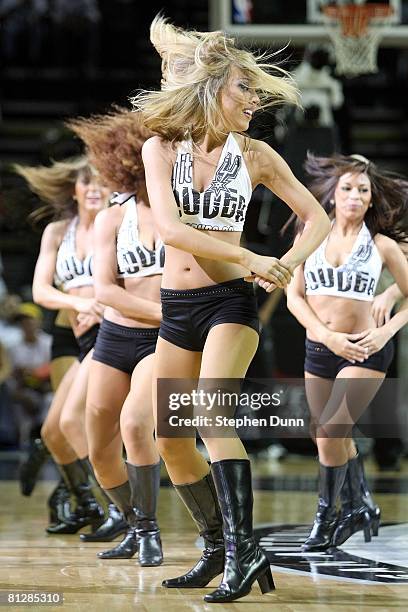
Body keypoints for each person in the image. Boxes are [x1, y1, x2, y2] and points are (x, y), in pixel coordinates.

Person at [136, 15, 330, 603]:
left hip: (229, 304)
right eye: (244, 89)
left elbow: (316, 218)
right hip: (177, 304)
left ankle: (246, 556)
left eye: (256, 90)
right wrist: (250, 257)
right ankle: (220, 548)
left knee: (211, 416)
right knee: (170, 437)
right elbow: (170, 231)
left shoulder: (257, 154)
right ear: (211, 91)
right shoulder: (161, 147)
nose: (255, 100)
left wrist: (288, 262)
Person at [286, 153, 408, 551]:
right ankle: (362, 505)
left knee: (332, 429)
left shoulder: (382, 244)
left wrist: (388, 328)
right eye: (347, 189)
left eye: (363, 191)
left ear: (371, 200)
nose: (355, 196)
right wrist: (324, 334)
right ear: (333, 195)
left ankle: (327, 517)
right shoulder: (309, 232)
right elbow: (294, 296)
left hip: (363, 349)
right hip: (319, 347)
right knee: (325, 435)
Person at [67, 108, 163, 565]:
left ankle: (150, 533)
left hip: (161, 344)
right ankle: (133, 523)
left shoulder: (178, 210)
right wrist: (165, 311)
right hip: (115, 339)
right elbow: (105, 290)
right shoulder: (111, 218)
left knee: (135, 426)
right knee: (98, 443)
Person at [15, 157, 112, 534]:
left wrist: (108, 306)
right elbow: (41, 290)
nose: (93, 188)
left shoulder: (119, 225)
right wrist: (80, 303)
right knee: (55, 431)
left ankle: (121, 508)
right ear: (73, 188)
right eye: (86, 181)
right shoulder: (59, 231)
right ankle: (86, 502)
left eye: (101, 182)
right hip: (72, 332)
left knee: (80, 423)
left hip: (113, 332)